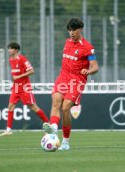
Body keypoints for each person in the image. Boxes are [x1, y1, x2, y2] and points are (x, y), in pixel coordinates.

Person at [42, 17, 99, 150]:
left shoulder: (88, 48)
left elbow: (95, 67)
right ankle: (54, 130)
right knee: (56, 100)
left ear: (80, 29)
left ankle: (66, 142)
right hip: (63, 77)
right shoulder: (67, 42)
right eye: (69, 30)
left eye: (74, 30)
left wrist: (88, 71)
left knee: (65, 107)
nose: (71, 33)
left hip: (77, 81)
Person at [0, 42, 49, 136]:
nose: (9, 50)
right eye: (8, 48)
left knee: (33, 107)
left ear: (16, 50)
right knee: (10, 106)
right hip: (16, 87)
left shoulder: (22, 59)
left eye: (11, 48)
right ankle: (8, 130)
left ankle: (49, 127)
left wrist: (20, 76)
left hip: (25, 87)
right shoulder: (11, 60)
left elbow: (32, 71)